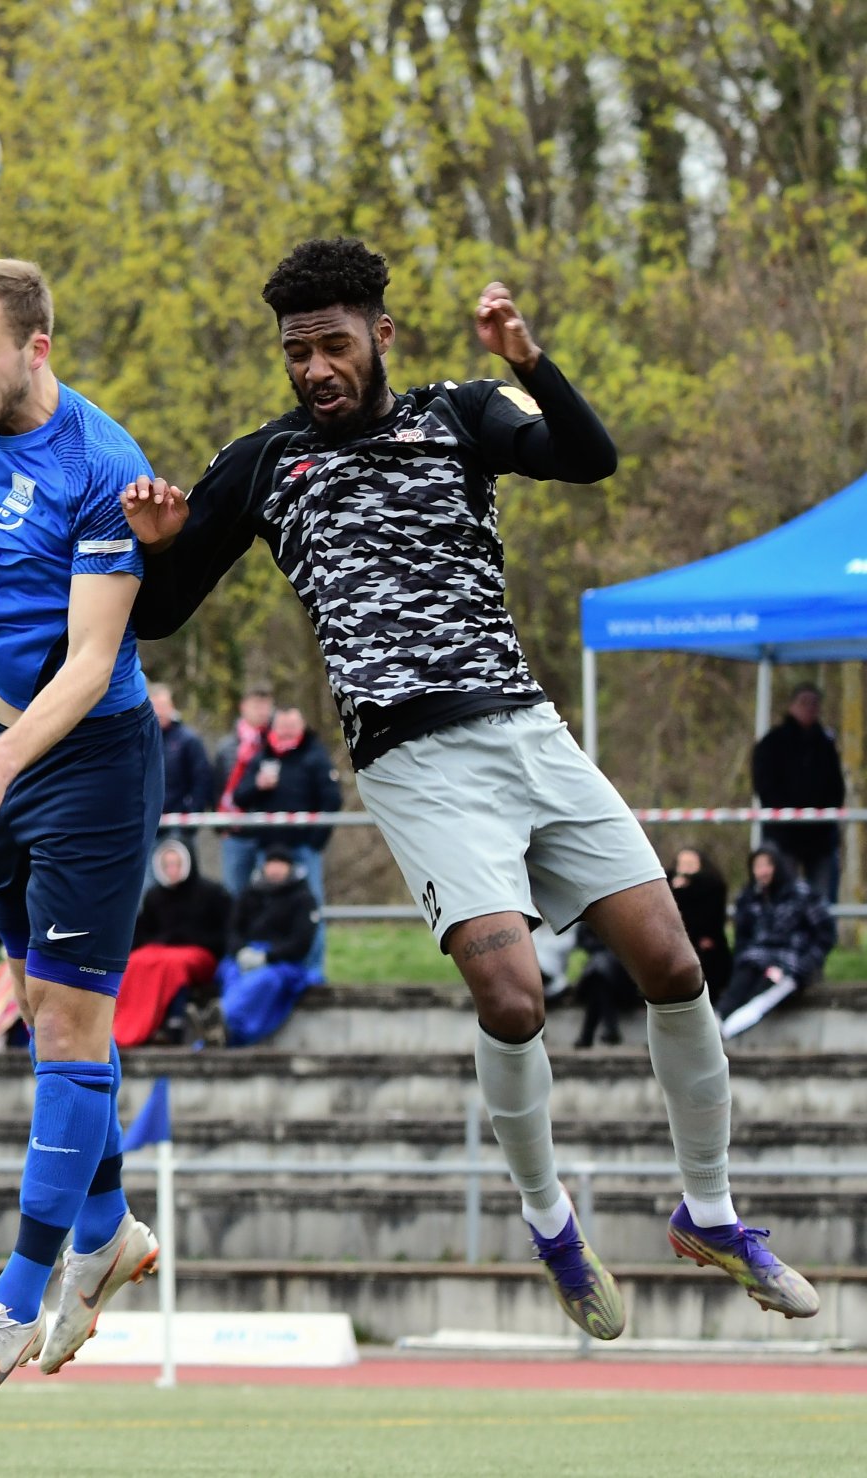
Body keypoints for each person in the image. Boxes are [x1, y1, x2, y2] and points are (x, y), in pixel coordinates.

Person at [123, 236, 818, 1337]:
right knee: (512, 998)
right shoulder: (259, 464)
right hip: (414, 762)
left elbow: (589, 458)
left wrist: (529, 359)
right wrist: (156, 550)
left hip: (528, 730)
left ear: (379, 336)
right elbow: (159, 615)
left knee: (673, 961)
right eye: (295, 352)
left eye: (333, 345)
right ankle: (549, 1220)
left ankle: (709, 1210)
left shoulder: (459, 412)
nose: (313, 369)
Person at [0, 258, 162, 1417]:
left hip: (89, 766)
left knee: (66, 1022)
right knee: (34, 1004)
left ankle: (14, 1299)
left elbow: (92, 663)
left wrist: (1, 762)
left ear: (37, 346)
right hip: (0, 756)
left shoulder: (101, 467)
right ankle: (106, 1227)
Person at [232, 704, 342, 982]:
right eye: (282, 726)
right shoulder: (263, 756)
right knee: (264, 912)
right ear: (274, 727)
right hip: (267, 852)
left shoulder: (315, 756)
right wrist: (257, 785)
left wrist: (315, 841)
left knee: (310, 910)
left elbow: (332, 800)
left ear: (302, 726)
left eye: (293, 726)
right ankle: (267, 969)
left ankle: (313, 972)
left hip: (302, 850)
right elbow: (239, 797)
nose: (287, 732)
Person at [190, 844, 318, 1048]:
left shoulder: (303, 899)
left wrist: (268, 957)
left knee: (261, 981)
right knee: (231, 973)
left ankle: (223, 1019)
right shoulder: (250, 894)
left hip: (280, 963)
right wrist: (241, 951)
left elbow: (301, 942)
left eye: (280, 864)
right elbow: (233, 929)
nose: (275, 869)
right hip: (246, 955)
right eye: (271, 864)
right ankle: (222, 1025)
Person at [113, 837, 231, 1047]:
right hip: (162, 950)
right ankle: (128, 1024)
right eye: (167, 865)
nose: (172, 870)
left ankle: (172, 1023)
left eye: (176, 864)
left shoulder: (211, 893)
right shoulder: (155, 895)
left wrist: (185, 938)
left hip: (200, 952)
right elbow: (144, 933)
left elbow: (223, 935)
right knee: (135, 962)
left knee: (172, 965)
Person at [717, 843, 836, 1040]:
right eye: (758, 866)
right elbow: (742, 936)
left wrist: (806, 964)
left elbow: (825, 933)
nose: (763, 872)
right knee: (735, 991)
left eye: (767, 865)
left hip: (788, 964)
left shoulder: (802, 894)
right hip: (754, 960)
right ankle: (715, 1024)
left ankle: (725, 1033)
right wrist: (741, 958)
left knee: (762, 995)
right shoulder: (749, 898)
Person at [752, 683, 845, 902]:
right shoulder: (773, 742)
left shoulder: (825, 743)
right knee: (784, 896)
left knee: (822, 899)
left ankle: (821, 936)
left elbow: (836, 786)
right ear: (792, 705)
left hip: (820, 836)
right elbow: (764, 785)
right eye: (804, 702)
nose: (810, 708)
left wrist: (826, 817)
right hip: (784, 835)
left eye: (815, 703)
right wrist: (785, 819)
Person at [214, 681, 275, 895]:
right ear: (243, 707)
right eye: (256, 705)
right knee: (234, 893)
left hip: (269, 830)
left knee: (268, 894)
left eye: (265, 705)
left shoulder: (278, 744)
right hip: (235, 831)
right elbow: (217, 787)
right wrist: (220, 827)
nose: (261, 711)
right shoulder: (227, 747)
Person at [148, 681, 214, 852]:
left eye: (163, 706)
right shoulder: (140, 741)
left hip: (178, 824)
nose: (159, 711)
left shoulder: (188, 740)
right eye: (154, 706)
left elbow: (202, 779)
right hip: (147, 825)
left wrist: (191, 815)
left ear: (172, 707)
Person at [667, 847, 732, 1002]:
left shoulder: (712, 886)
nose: (686, 868)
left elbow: (712, 918)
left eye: (691, 863)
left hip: (704, 941)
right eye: (682, 863)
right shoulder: (668, 884)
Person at [571, 922, 639, 1048]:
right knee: (599, 980)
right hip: (603, 977)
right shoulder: (587, 921)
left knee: (598, 974)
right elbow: (580, 942)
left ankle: (588, 1035)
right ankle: (610, 1030)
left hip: (625, 978)